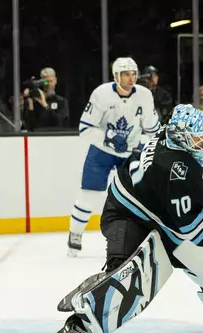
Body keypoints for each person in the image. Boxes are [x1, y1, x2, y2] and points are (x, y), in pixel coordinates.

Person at [47, 104, 203, 333]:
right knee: (137, 272)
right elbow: (199, 228)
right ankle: (82, 324)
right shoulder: (174, 168)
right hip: (130, 214)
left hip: (166, 210)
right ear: (181, 140)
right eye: (199, 141)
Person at [67, 57, 161, 257]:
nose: (131, 78)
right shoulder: (101, 94)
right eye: (126, 74)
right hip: (102, 151)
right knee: (89, 195)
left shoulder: (144, 95)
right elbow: (84, 128)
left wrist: (143, 143)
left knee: (137, 196)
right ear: (116, 76)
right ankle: (75, 234)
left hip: (129, 153)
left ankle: (137, 237)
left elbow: (153, 128)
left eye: (133, 74)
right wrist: (108, 138)